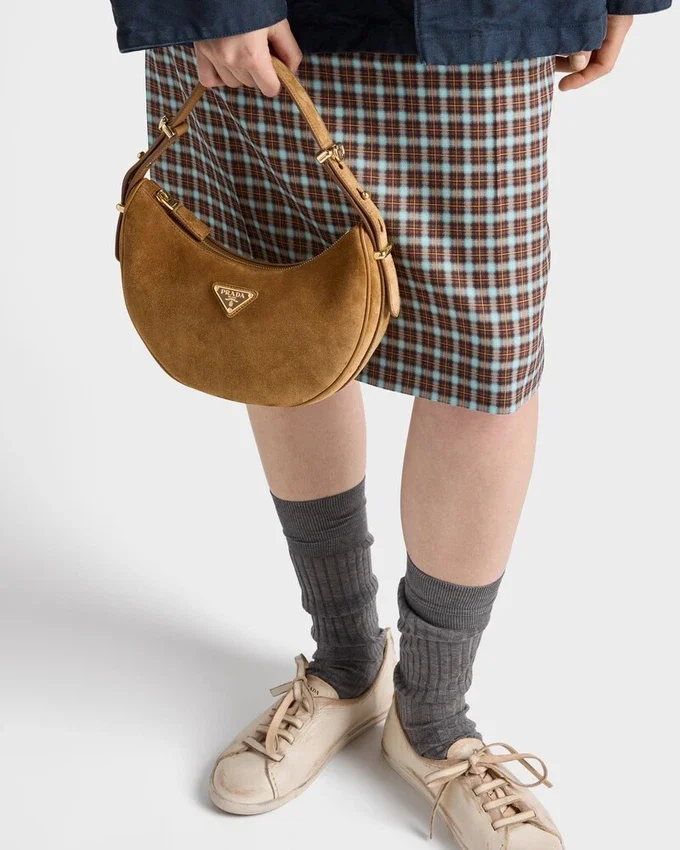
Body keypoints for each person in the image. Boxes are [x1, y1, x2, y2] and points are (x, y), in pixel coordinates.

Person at [108, 1, 671, 847]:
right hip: (274, 23)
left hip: (488, 15)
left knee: (490, 361)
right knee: (282, 316)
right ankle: (344, 666)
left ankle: (433, 720)